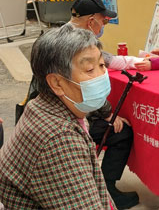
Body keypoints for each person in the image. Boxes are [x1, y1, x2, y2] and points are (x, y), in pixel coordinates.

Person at [0, 26, 113, 208]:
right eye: (90, 69)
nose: (102, 75)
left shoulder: (44, 105)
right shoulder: (59, 139)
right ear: (56, 83)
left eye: (102, 65)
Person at [68, 0, 139, 209]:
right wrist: (108, 113)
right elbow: (87, 86)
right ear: (91, 22)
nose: (104, 25)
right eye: (104, 20)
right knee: (121, 131)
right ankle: (106, 190)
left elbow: (107, 60)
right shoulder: (80, 43)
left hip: (53, 112)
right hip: (72, 118)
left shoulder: (60, 35)